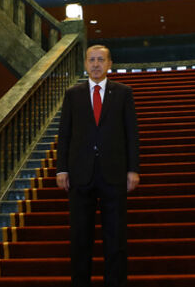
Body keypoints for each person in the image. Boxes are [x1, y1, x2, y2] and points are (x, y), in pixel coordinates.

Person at [56, 45, 140, 287]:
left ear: (109, 63)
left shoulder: (123, 93)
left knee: (116, 238)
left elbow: (131, 133)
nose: (95, 64)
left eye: (100, 60)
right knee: (80, 238)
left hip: (113, 174)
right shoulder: (73, 94)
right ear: (85, 64)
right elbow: (65, 134)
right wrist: (62, 169)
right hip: (80, 175)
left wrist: (133, 169)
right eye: (91, 60)